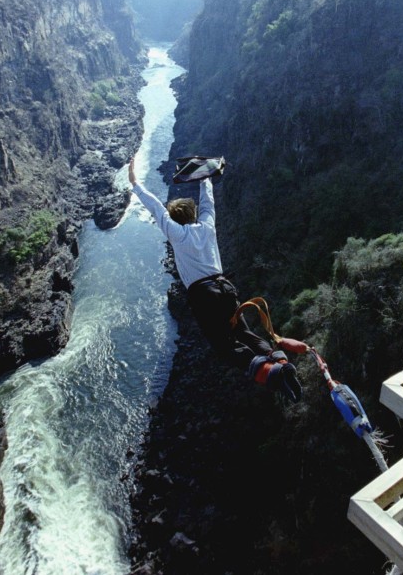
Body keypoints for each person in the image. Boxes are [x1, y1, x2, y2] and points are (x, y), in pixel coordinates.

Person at [129, 156, 302, 401]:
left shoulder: (175, 234)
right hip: (225, 288)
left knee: (224, 345)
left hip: (204, 296)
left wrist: (135, 182)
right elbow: (208, 202)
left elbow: (155, 207)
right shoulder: (207, 226)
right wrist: (205, 177)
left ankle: (270, 374)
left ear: (175, 219)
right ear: (193, 214)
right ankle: (280, 361)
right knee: (244, 332)